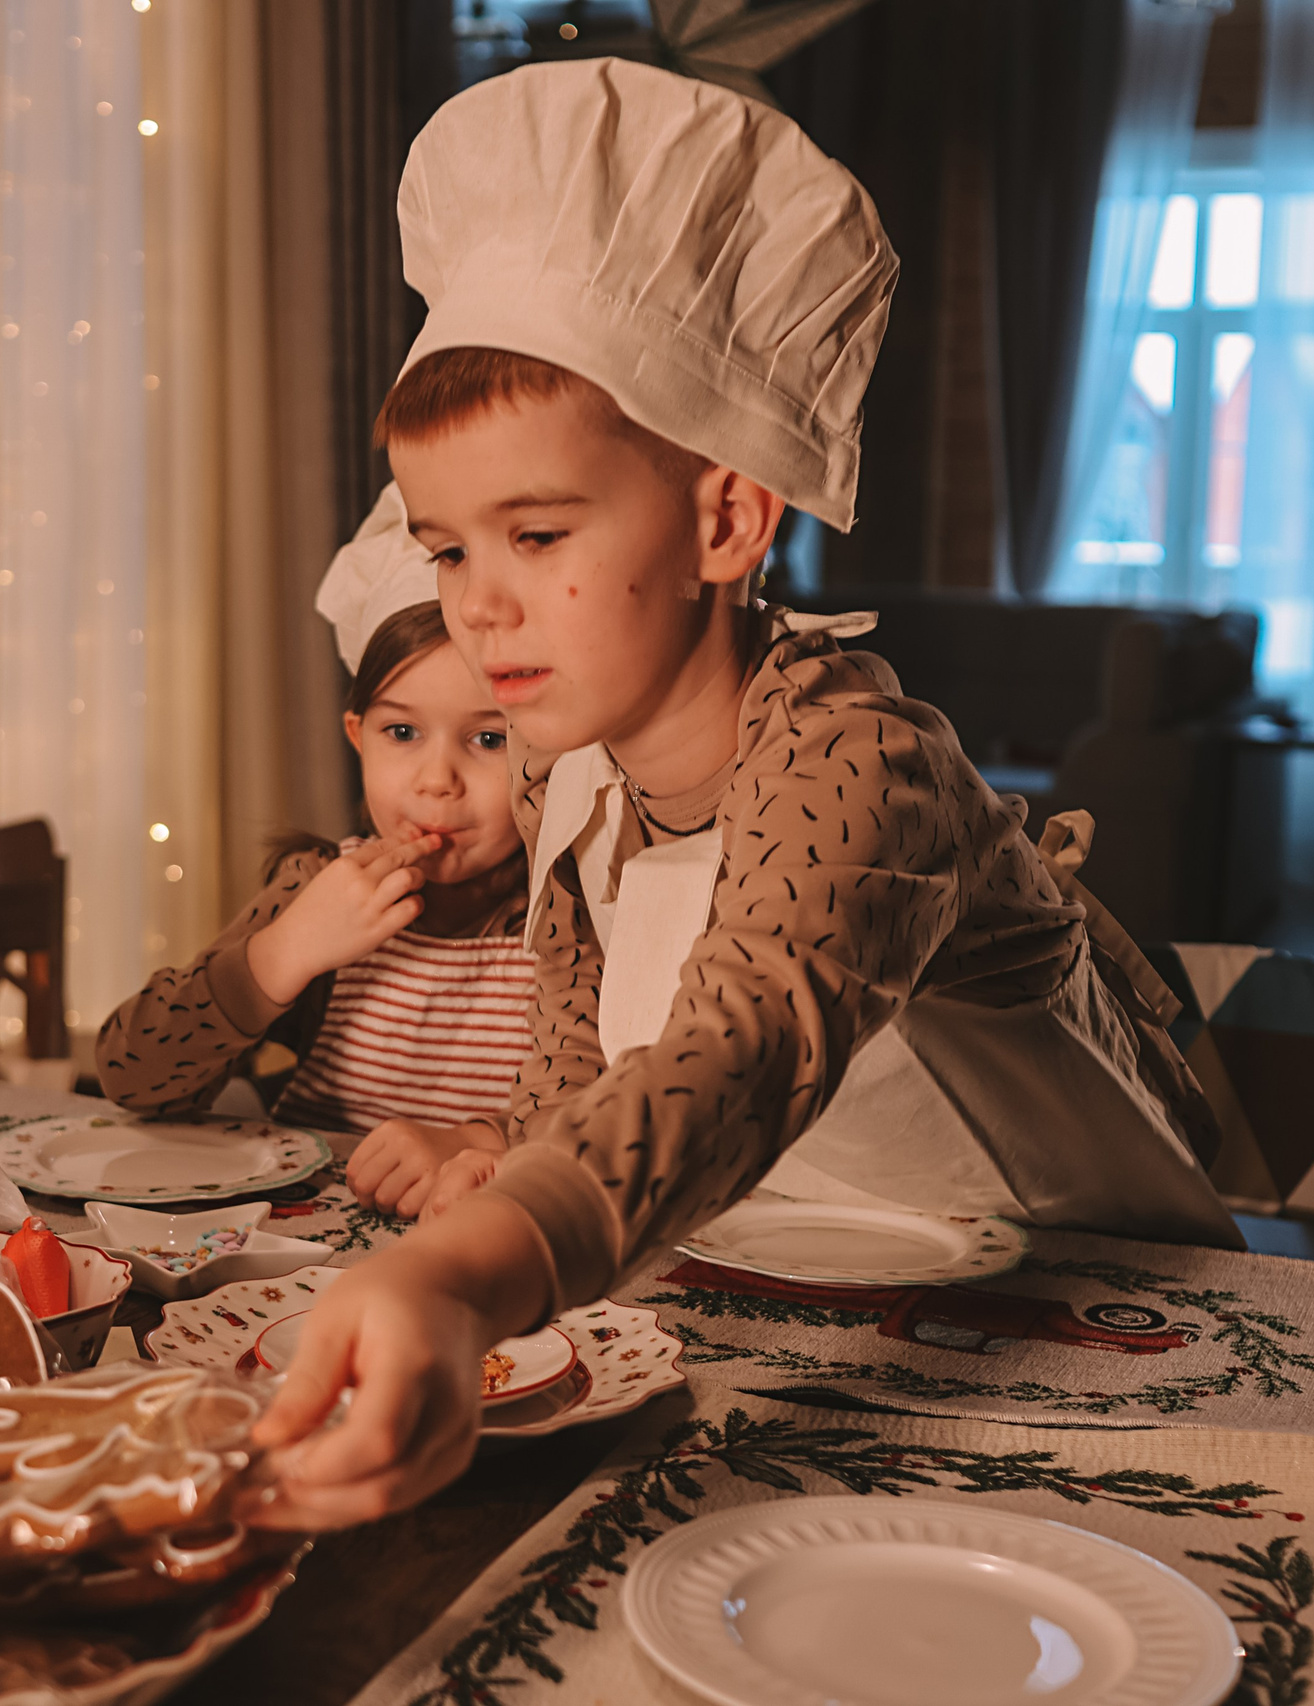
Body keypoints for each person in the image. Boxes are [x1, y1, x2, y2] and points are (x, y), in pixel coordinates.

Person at [251, 58, 1240, 1529]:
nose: (481, 611)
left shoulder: (863, 761)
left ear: (725, 515)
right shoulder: (569, 765)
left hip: (1090, 1315)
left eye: (536, 532)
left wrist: (466, 1269)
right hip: (797, 1295)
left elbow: (744, 1038)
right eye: (450, 548)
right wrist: (499, 1173)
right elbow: (571, 1065)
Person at [95, 491, 532, 1213]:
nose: (436, 780)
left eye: (489, 739)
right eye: (402, 734)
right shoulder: (316, 888)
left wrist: (479, 1141)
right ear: (357, 735)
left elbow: (630, 1118)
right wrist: (281, 955)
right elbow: (129, 1077)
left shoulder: (571, 908)